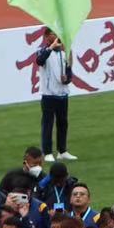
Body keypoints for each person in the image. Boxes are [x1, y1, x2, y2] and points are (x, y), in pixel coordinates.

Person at [34, 32, 73, 161]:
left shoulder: (64, 53)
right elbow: (39, 61)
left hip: (62, 94)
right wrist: (51, 47)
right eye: (52, 34)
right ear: (46, 37)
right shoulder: (43, 52)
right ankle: (47, 152)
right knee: (48, 123)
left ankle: (62, 150)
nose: (55, 36)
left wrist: (66, 79)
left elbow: (69, 72)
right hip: (48, 95)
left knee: (63, 123)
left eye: (56, 34)